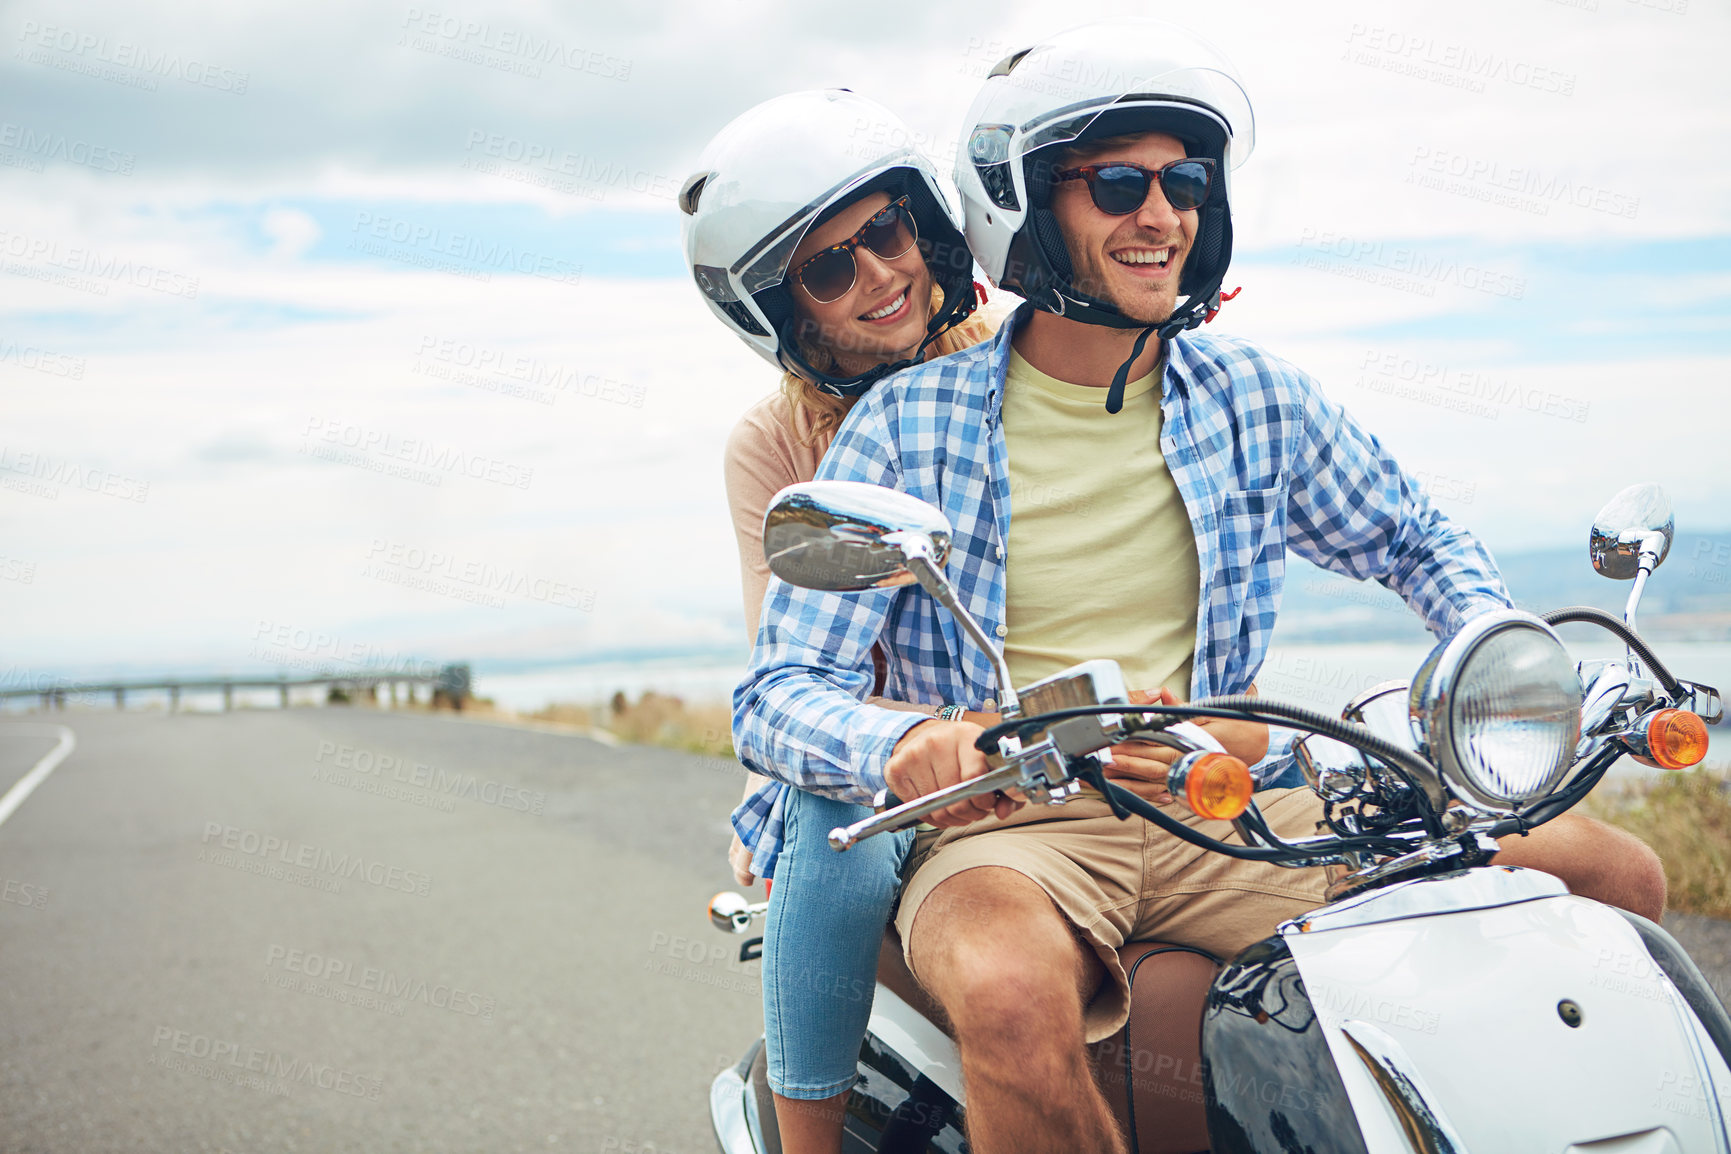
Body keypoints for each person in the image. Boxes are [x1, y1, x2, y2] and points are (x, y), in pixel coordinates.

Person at [732, 22, 1665, 1154]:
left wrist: (1484, 650)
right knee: (1005, 986)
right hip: (1019, 820)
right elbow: (779, 686)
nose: (1161, 214)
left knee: (1612, 874)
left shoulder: (1253, 396)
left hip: (1222, 794)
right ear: (1027, 208)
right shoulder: (904, 423)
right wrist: (916, 742)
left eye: (1185, 182)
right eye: (1118, 183)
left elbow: (1417, 535)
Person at [683, 89, 1276, 1154]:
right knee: (831, 819)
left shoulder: (1025, 361)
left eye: (886, 233)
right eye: (830, 267)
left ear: (929, 225)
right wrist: (926, 737)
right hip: (901, 745)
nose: (878, 274)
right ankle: (806, 1136)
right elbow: (790, 669)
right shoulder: (772, 446)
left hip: (1071, 734)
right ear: (783, 307)